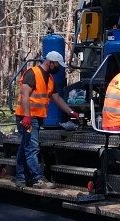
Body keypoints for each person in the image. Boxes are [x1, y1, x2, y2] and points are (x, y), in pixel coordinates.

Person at [14, 51, 78, 189]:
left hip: (36, 117)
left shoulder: (49, 78)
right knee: (32, 148)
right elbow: (25, 95)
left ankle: (20, 177)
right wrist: (26, 116)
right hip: (27, 117)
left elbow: (57, 98)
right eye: (58, 65)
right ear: (51, 62)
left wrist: (71, 112)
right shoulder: (32, 73)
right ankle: (37, 179)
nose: (59, 68)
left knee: (25, 146)